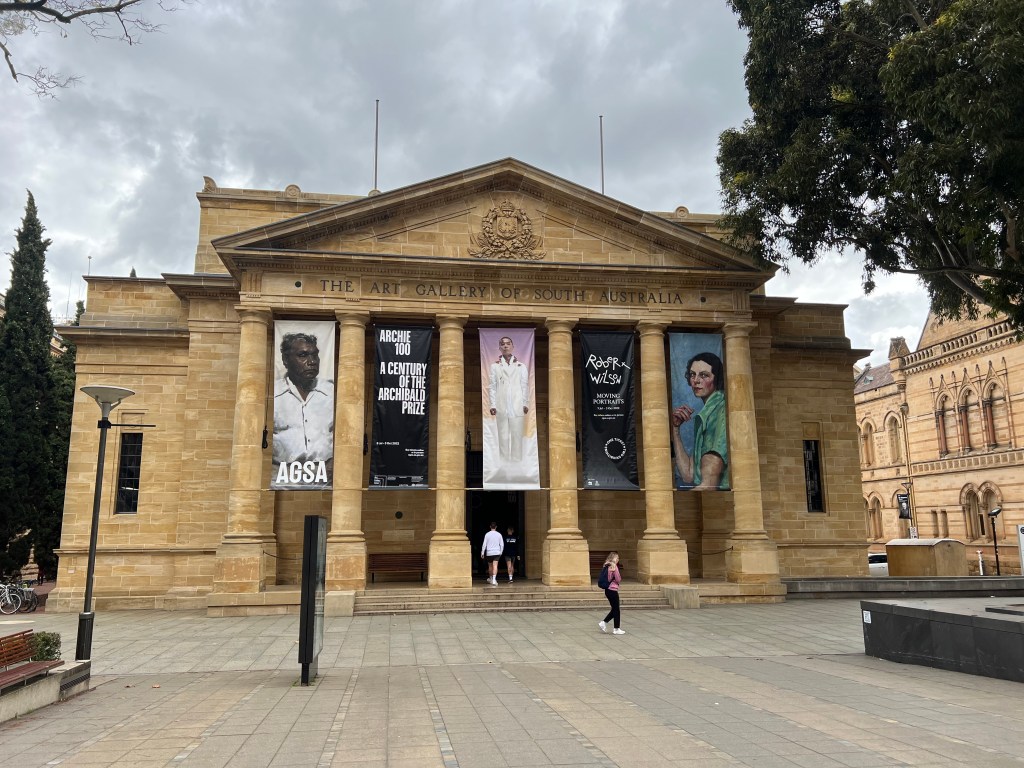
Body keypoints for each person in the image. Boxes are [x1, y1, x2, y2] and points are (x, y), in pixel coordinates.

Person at [273, 332, 335, 478]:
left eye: (315, 355)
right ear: (285, 360)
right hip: (283, 478)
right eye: (303, 355)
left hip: (326, 477)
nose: (312, 361)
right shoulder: (273, 394)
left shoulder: (332, 392)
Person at [670, 351, 728, 490]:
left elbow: (708, 483)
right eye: (692, 374)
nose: (696, 380)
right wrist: (675, 429)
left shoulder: (721, 408)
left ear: (716, 378)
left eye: (704, 375)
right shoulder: (704, 415)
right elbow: (689, 475)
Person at [488, 336, 529, 462]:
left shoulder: (521, 366)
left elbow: (524, 385)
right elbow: (492, 386)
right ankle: (504, 464)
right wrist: (492, 405)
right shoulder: (495, 366)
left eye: (508, 343)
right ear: (499, 348)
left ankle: (516, 464)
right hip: (501, 405)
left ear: (512, 346)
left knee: (517, 436)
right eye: (502, 344)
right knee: (503, 437)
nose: (505, 346)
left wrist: (525, 403)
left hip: (517, 404)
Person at [598, 551, 625, 635]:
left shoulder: (606, 565)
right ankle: (616, 628)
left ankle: (604, 622)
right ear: (614, 558)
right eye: (617, 558)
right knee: (616, 609)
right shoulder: (614, 566)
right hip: (612, 589)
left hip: (607, 590)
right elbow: (618, 579)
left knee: (614, 609)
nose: (618, 559)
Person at [480, 521, 504, 586]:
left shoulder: (487, 534)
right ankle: (494, 579)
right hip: (496, 552)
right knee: (495, 565)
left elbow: (484, 544)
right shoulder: (499, 534)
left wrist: (482, 552)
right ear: (496, 527)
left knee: (490, 566)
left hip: (489, 553)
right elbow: (502, 544)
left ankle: (490, 578)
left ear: (490, 527)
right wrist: (501, 552)